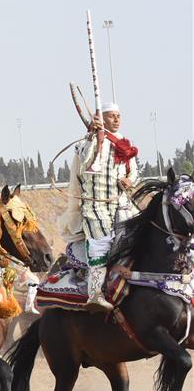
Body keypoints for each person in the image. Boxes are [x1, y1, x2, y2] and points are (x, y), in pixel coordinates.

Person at [61, 102, 139, 310]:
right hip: (96, 207)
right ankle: (94, 293)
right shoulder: (89, 142)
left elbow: (133, 171)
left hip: (122, 203)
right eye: (111, 116)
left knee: (145, 232)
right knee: (101, 244)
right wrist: (93, 135)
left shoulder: (123, 142)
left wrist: (129, 181)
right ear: (101, 118)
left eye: (118, 115)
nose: (116, 119)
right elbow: (85, 161)